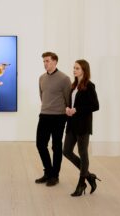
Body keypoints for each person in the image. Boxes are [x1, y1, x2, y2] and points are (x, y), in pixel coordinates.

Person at [63, 59, 100, 196]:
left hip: (83, 125)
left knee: (82, 152)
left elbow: (95, 106)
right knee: (66, 151)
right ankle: (89, 176)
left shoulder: (89, 86)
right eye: (74, 68)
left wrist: (77, 110)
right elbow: (71, 103)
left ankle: (81, 182)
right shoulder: (73, 86)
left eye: (77, 68)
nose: (74, 70)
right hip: (72, 124)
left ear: (84, 70)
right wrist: (67, 108)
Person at [35, 52, 71, 186]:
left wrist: (65, 114)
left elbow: (68, 99)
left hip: (59, 117)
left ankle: (55, 175)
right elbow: (42, 96)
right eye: (44, 61)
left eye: (48, 61)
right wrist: (46, 108)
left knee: (56, 147)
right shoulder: (41, 78)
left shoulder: (64, 79)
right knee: (40, 144)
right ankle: (48, 171)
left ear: (55, 62)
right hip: (44, 115)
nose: (45, 64)